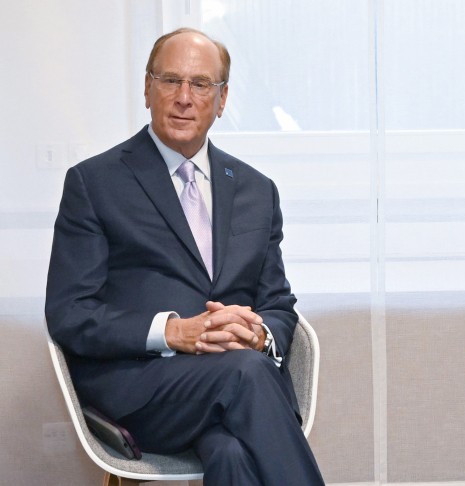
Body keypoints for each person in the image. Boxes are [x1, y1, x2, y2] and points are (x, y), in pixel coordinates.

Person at [45, 28, 324, 485]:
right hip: (142, 389)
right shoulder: (94, 183)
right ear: (147, 88)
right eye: (170, 80)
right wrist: (173, 331)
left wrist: (257, 335)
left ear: (222, 98)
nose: (183, 98)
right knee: (246, 376)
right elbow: (70, 314)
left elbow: (277, 303)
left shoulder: (258, 191)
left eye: (200, 84)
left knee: (231, 452)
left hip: (235, 384)